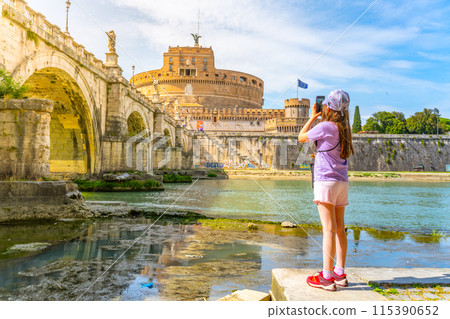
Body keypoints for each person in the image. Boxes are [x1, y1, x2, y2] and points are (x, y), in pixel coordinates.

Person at [297, 90, 354, 291]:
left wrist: (313, 116)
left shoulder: (325, 127)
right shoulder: (345, 128)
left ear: (327, 107)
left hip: (325, 182)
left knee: (328, 229)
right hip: (342, 183)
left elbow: (301, 137)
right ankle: (339, 272)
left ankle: (326, 277)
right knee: (340, 229)